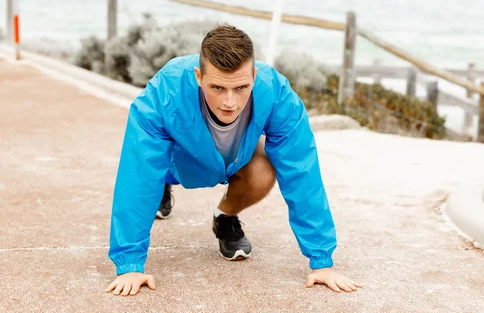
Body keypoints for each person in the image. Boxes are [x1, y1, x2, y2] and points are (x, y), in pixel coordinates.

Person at [105, 24, 362, 296]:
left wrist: (321, 261)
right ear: (198, 76)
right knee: (151, 179)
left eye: (241, 87)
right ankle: (163, 190)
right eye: (217, 87)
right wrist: (130, 264)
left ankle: (225, 217)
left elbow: (302, 171)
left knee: (264, 170)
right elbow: (138, 173)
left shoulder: (276, 92)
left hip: (236, 160)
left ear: (254, 75)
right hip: (178, 162)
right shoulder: (164, 93)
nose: (230, 101)